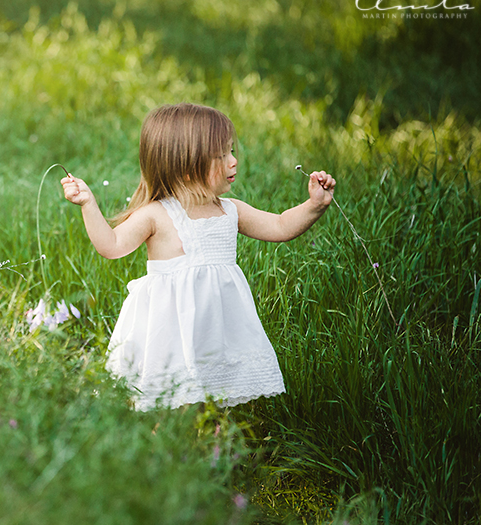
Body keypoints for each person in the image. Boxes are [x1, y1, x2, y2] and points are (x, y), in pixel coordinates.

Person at [61, 103, 336, 410]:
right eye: (223, 155)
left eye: (231, 151)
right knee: (173, 396)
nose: (234, 162)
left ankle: (212, 438)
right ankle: (169, 440)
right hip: (171, 327)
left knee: (215, 393)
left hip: (218, 324)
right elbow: (111, 245)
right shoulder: (157, 215)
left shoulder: (231, 210)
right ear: (188, 164)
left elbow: (281, 225)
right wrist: (88, 204)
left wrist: (314, 206)